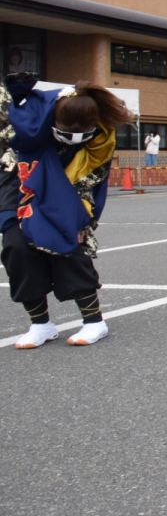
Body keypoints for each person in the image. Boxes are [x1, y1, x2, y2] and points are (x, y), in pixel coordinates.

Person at [0, 75, 135, 348]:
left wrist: (81, 214)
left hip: (68, 195)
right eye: (65, 131)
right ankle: (41, 324)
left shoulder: (100, 136)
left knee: (68, 248)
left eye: (82, 133)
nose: (74, 138)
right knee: (17, 249)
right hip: (20, 189)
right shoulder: (27, 125)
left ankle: (94, 321)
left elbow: (93, 176)